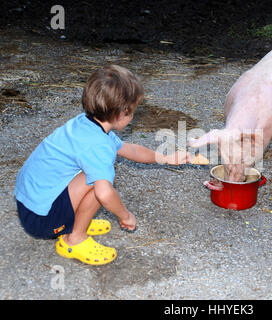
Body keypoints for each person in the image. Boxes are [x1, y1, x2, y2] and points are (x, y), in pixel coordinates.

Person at [14, 64, 191, 265]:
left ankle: (77, 221)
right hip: (42, 219)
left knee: (97, 173)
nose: (133, 115)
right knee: (101, 180)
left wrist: (166, 158)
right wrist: (125, 216)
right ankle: (74, 239)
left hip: (30, 203)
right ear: (122, 113)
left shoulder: (85, 124)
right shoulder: (99, 146)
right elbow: (104, 194)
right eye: (132, 110)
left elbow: (130, 150)